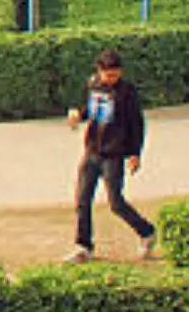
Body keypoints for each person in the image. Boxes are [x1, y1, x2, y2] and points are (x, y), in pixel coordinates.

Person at [65, 49, 156, 264]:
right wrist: (78, 115)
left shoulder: (127, 92)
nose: (112, 79)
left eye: (116, 75)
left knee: (116, 202)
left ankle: (147, 232)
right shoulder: (93, 85)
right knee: (82, 200)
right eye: (108, 75)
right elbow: (91, 109)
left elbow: (137, 124)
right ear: (100, 72)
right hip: (92, 151)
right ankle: (83, 246)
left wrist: (135, 153)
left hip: (113, 155)